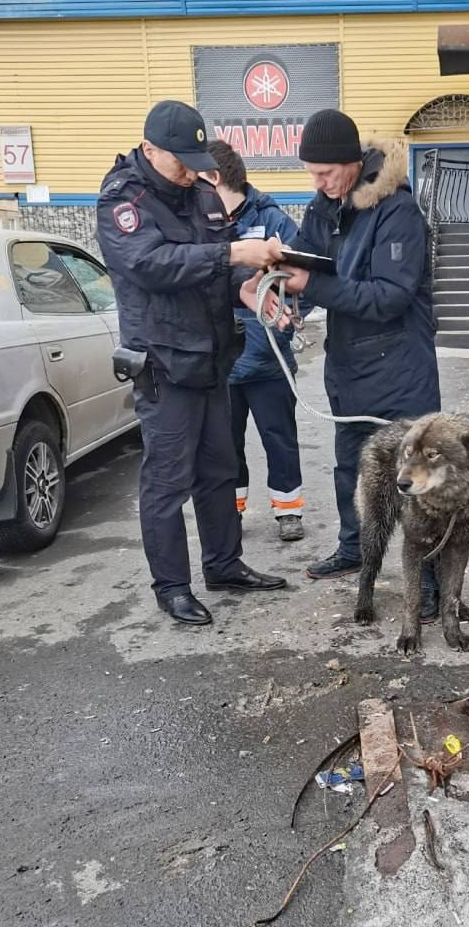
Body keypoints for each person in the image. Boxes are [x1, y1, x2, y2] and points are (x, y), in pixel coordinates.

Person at [242, 108, 443, 620]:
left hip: (401, 368)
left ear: (353, 162)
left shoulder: (397, 211)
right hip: (350, 367)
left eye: (326, 173)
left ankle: (431, 585)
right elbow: (306, 264)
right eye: (312, 173)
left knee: (414, 481)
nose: (319, 182)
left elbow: (390, 296)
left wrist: (314, 287)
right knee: (351, 469)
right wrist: (281, 293)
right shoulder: (322, 209)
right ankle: (356, 548)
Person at [96, 100, 290, 627]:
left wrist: (248, 290)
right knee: (167, 480)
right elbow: (150, 265)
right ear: (149, 148)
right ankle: (173, 587)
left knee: (219, 470)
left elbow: (216, 271)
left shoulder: (203, 195)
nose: (190, 169)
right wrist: (233, 257)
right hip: (162, 363)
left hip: (210, 357)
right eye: (179, 158)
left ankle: (224, 565)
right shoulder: (123, 201)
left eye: (194, 158)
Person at [203, 139, 307, 543]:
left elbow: (301, 281)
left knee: (279, 438)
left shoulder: (274, 221)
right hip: (221, 362)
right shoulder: (202, 222)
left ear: (215, 178)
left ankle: (288, 509)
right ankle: (232, 509)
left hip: (267, 360)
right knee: (225, 445)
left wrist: (288, 317)